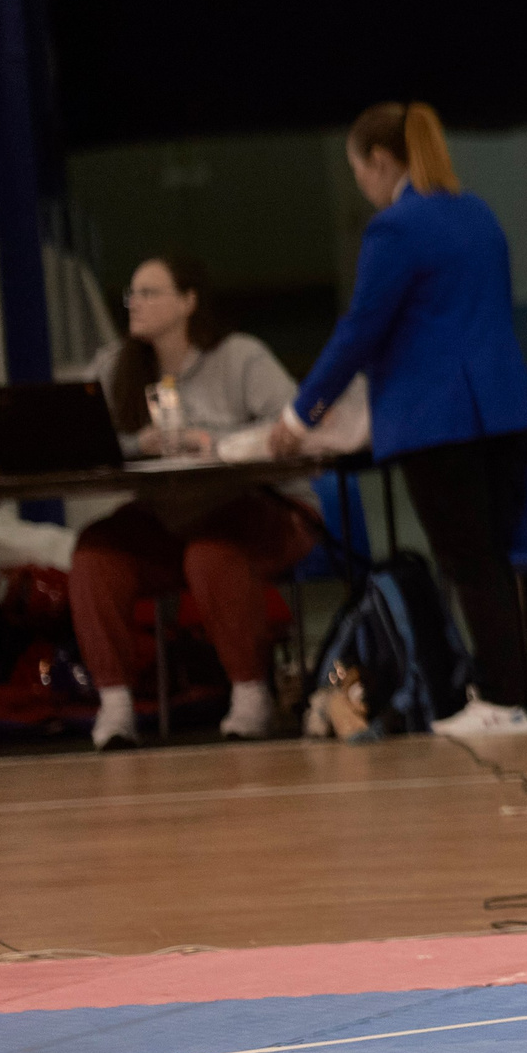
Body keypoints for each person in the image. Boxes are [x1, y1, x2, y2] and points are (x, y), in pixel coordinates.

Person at [267, 103, 527, 737]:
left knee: (466, 562)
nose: (361, 182)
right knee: (490, 560)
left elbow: (360, 331)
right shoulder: (476, 212)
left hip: (437, 421)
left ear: (380, 161)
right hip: (501, 409)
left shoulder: (396, 228)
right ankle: (507, 693)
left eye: (358, 169)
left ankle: (500, 700)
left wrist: (300, 413)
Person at [71, 256, 317, 748]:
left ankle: (252, 695)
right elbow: (83, 439)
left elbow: (294, 427)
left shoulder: (240, 356)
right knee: (95, 553)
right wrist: (138, 445)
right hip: (166, 513)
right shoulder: (115, 365)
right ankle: (116, 707)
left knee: (211, 553)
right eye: (131, 294)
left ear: (188, 302)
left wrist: (216, 440)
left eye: (149, 292)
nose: (134, 304)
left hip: (256, 506)